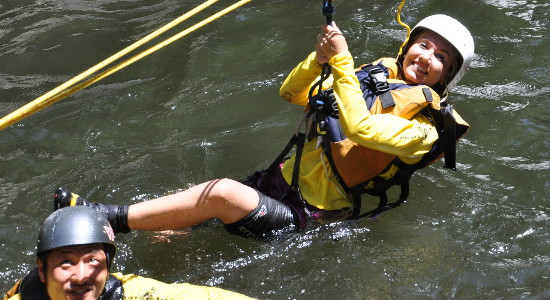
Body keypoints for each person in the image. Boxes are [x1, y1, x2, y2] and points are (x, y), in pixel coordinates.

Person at [54, 14, 474, 239]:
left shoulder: (427, 131)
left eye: (440, 58)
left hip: (307, 216)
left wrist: (342, 61)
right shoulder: (372, 76)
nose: (425, 57)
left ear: (446, 78)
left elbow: (362, 129)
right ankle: (128, 230)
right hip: (277, 182)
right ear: (408, 45)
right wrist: (320, 59)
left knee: (218, 193)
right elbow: (292, 93)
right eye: (423, 44)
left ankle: (102, 217)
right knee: (173, 227)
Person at [3, 206, 255, 300]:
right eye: (66, 262)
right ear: (43, 272)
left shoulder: (129, 293)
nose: (81, 276)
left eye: (93, 260)